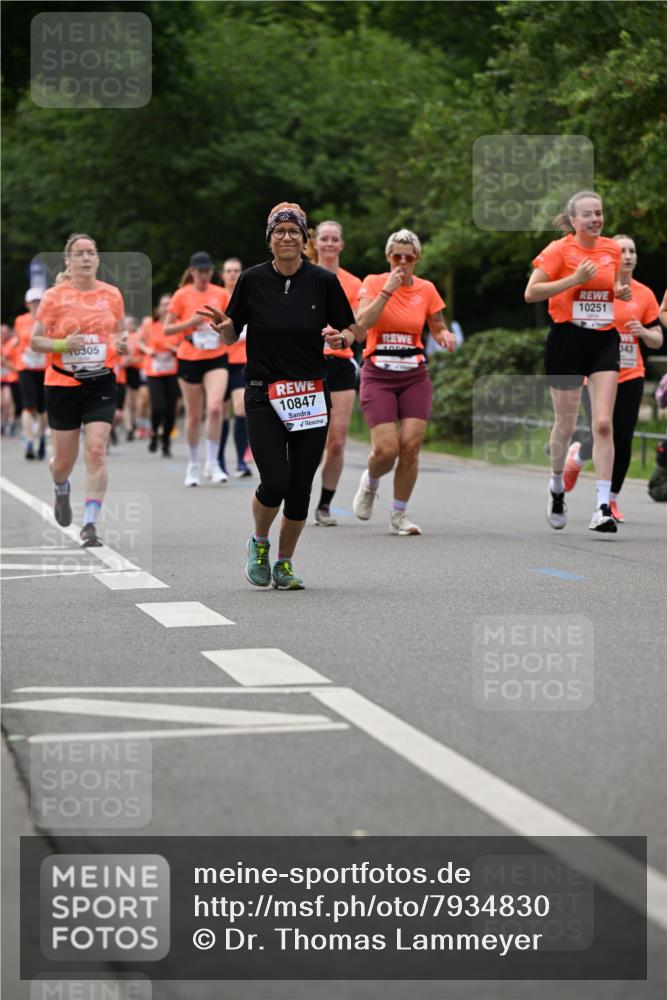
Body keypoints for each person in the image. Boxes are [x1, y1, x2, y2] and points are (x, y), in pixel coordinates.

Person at [199, 201, 363, 590]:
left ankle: (285, 563)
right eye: (279, 232)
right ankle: (259, 543)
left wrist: (341, 338)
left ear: (305, 240)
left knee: (301, 487)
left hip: (310, 393)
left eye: (293, 231)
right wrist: (224, 329)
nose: (286, 237)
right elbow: (232, 333)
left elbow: (353, 330)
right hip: (263, 393)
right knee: (274, 481)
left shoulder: (323, 281)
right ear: (269, 239)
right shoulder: (252, 280)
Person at [524, 190, 631, 533]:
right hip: (567, 340)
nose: (596, 219)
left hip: (603, 340)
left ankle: (602, 507)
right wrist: (574, 280)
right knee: (566, 425)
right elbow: (531, 293)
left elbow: (615, 286)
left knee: (603, 423)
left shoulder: (611, 249)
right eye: (588, 214)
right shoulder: (559, 250)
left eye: (599, 213)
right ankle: (556, 486)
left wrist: (621, 291)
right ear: (573, 220)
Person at [352, 229, 456, 536]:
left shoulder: (427, 289)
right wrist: (387, 291)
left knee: (410, 447)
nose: (401, 262)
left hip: (414, 375)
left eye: (408, 258)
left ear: (416, 259)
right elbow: (361, 325)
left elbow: (437, 326)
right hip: (378, 373)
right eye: (396, 256)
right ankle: (370, 482)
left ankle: (399, 515)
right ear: (388, 257)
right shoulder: (373, 283)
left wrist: (445, 336)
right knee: (386, 450)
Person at [29, 233, 127, 546]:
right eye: (79, 253)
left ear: (97, 259)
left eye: (91, 253)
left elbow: (120, 334)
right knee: (63, 463)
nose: (86, 258)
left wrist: (121, 344)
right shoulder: (54, 296)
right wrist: (62, 344)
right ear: (68, 261)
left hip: (101, 381)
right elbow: (35, 341)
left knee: (96, 450)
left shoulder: (112, 294)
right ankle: (61, 487)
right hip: (62, 384)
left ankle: (90, 524)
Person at [563, 236, 662, 520]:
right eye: (622, 251)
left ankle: (611, 499)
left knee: (623, 436)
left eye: (632, 251)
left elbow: (657, 339)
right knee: (602, 429)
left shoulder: (644, 294)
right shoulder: (595, 289)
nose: (628, 256)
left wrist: (644, 332)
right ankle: (578, 457)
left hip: (631, 373)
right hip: (596, 374)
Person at [306, 220, 362, 526]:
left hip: (340, 363)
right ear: (316, 243)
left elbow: (357, 328)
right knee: (308, 440)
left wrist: (340, 334)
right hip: (307, 362)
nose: (329, 243)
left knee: (337, 441)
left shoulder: (353, 283)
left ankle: (324, 505)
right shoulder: (303, 276)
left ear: (341, 244)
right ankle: (298, 495)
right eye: (324, 238)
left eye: (334, 239)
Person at [164, 252, 230, 486]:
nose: (204, 275)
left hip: (216, 357)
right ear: (192, 272)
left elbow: (232, 322)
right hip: (189, 358)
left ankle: (212, 462)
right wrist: (190, 323)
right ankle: (193, 464)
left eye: (207, 271)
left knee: (215, 409)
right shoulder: (181, 295)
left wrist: (222, 327)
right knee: (193, 416)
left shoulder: (221, 293)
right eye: (200, 271)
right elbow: (166, 329)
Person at [218, 257, 252, 477]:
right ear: (222, 275)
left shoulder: (248, 297)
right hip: (218, 362)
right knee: (220, 412)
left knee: (240, 407)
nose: (232, 274)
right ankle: (218, 460)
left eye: (236, 270)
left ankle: (240, 461)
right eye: (228, 270)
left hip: (242, 361)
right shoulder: (216, 298)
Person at [138, 294, 180, 457]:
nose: (167, 307)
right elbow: (140, 341)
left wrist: (175, 350)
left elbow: (185, 344)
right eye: (164, 304)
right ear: (158, 308)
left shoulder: (178, 325)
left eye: (170, 304)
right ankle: (154, 433)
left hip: (173, 371)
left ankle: (166, 439)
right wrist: (148, 350)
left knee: (171, 409)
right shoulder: (150, 324)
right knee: (158, 406)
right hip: (154, 371)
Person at [14, 287, 48, 459]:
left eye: (38, 301)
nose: (36, 305)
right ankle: (29, 441)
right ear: (27, 304)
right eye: (33, 302)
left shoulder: (49, 319)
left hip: (43, 367)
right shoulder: (20, 320)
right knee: (28, 406)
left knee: (42, 409)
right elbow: (19, 339)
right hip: (25, 367)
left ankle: (41, 437)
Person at [1, 323, 21, 435]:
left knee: (8, 401)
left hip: (9, 378)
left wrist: (6, 362)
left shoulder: (12, 344)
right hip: (2, 378)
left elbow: (14, 363)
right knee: (2, 402)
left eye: (5, 332)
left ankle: (8, 422)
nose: (3, 334)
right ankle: (4, 422)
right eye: (1, 332)